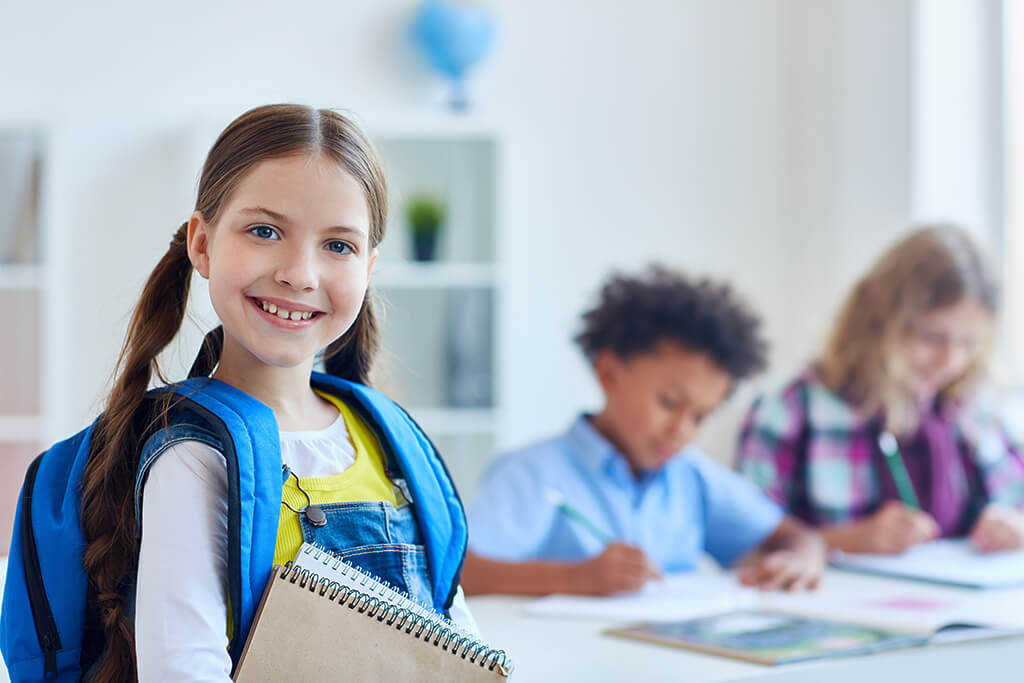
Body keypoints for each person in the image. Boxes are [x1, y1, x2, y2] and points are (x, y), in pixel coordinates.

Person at [77, 105, 477, 681]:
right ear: (203, 243)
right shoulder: (193, 456)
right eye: (264, 231)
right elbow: (184, 668)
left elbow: (456, 645)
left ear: (369, 268)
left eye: (338, 246)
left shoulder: (390, 436)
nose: (300, 273)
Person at [461, 267, 826, 597]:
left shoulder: (691, 475)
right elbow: (460, 573)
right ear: (609, 374)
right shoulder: (532, 473)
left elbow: (797, 536)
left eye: (700, 416)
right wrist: (572, 579)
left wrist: (801, 559)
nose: (681, 430)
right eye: (668, 403)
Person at [737, 225, 1024, 555]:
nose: (951, 360)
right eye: (931, 337)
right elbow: (744, 542)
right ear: (877, 314)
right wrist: (846, 542)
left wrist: (1014, 525)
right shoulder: (790, 410)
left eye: (969, 342)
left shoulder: (973, 409)